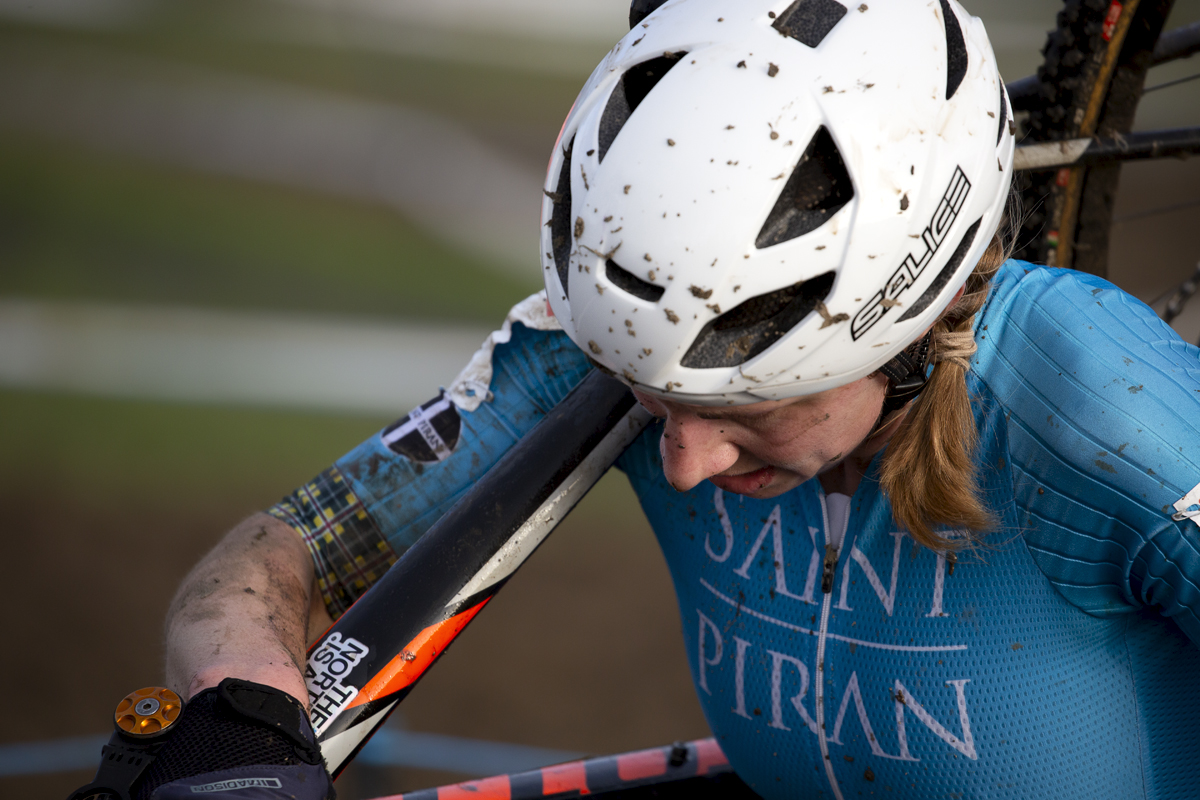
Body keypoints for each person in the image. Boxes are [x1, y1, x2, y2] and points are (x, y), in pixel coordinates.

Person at [147, 0, 1200, 798]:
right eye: (649, 401)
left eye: (747, 403)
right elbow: (282, 552)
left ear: (909, 322)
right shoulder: (601, 348)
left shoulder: (1106, 406)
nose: (685, 462)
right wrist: (242, 707)